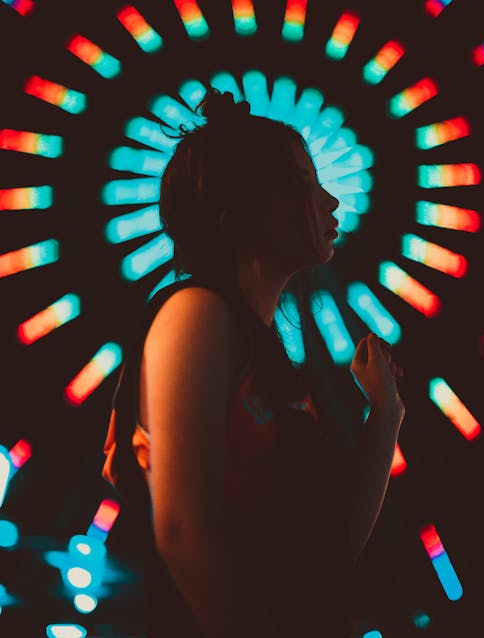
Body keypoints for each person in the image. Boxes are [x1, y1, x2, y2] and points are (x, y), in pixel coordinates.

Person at [102, 89, 405, 637]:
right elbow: (180, 533)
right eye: (304, 186)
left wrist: (385, 415)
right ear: (237, 218)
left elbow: (328, 561)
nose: (330, 204)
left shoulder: (263, 353)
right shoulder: (195, 314)